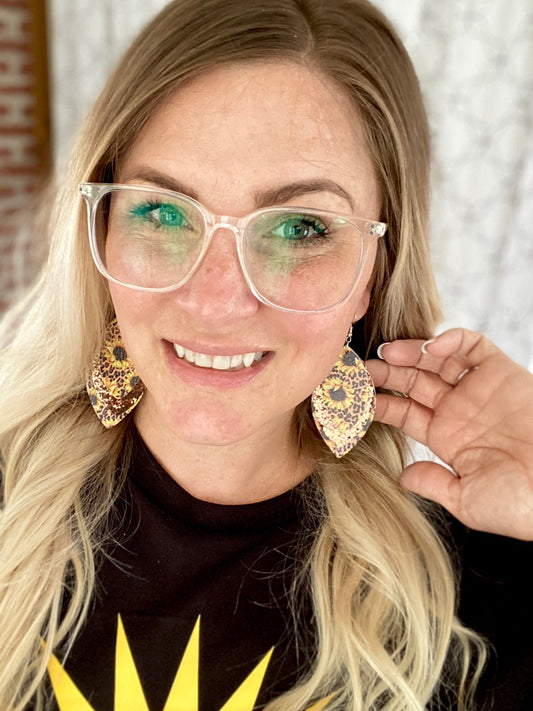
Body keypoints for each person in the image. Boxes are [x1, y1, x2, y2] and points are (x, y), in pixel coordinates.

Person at [0, 0, 531, 709]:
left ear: (373, 270)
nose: (217, 301)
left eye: (300, 226)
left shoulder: (479, 594)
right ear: (99, 235)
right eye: (161, 212)